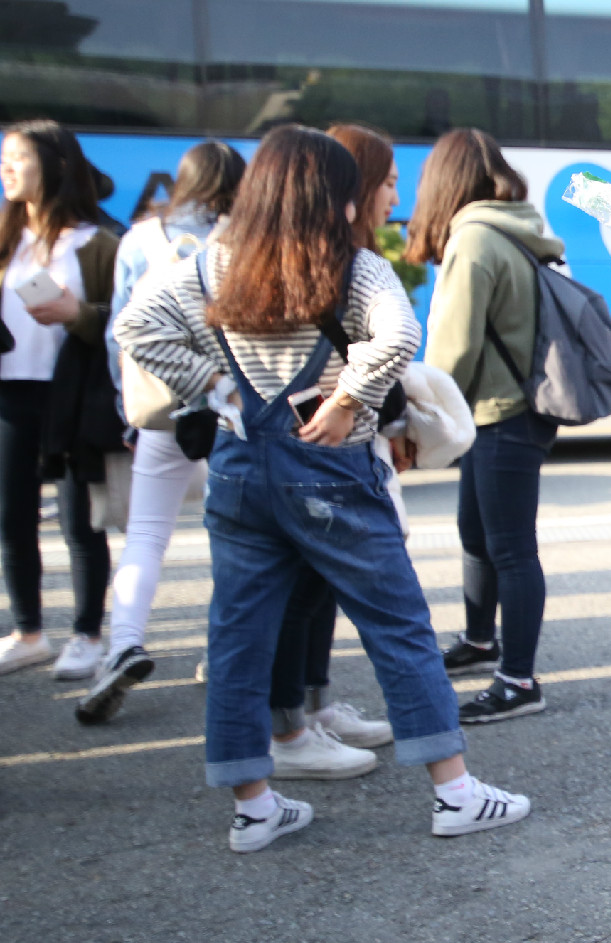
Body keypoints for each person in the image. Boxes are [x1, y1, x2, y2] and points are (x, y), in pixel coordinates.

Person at [113, 124, 530, 852]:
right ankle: (455, 793)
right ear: (334, 198)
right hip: (331, 472)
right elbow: (399, 338)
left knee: (237, 638)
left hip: (240, 474)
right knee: (397, 626)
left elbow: (136, 327)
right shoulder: (355, 268)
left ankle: (253, 807)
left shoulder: (209, 266)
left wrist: (217, 389)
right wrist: (346, 400)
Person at [257, 122, 409, 773]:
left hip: (340, 448)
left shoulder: (356, 257)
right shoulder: (332, 261)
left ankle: (312, 707)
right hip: (312, 449)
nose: (395, 197)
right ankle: (287, 728)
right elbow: (397, 339)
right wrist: (348, 401)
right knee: (303, 590)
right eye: (388, 182)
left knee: (316, 589)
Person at [80, 139, 243, 721]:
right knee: (235, 536)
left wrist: (126, 405)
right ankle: (222, 652)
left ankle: (124, 644)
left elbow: (118, 335)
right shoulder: (243, 240)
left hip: (161, 406)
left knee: (146, 534)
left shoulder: (142, 238)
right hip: (230, 408)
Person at [409, 128, 557, 724]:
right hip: (506, 410)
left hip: (500, 412)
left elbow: (454, 348)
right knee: (476, 532)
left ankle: (519, 680)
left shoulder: (473, 238)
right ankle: (479, 639)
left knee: (511, 548)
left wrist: (422, 418)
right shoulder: (514, 226)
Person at [0, 121, 122, 681]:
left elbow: (127, 323)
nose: (6, 168)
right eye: (3, 157)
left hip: (74, 397)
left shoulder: (98, 242)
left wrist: (78, 314)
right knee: (11, 517)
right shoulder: (7, 238)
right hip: (9, 392)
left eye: (18, 157)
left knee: (80, 522)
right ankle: (28, 632)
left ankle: (87, 635)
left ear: (57, 165)